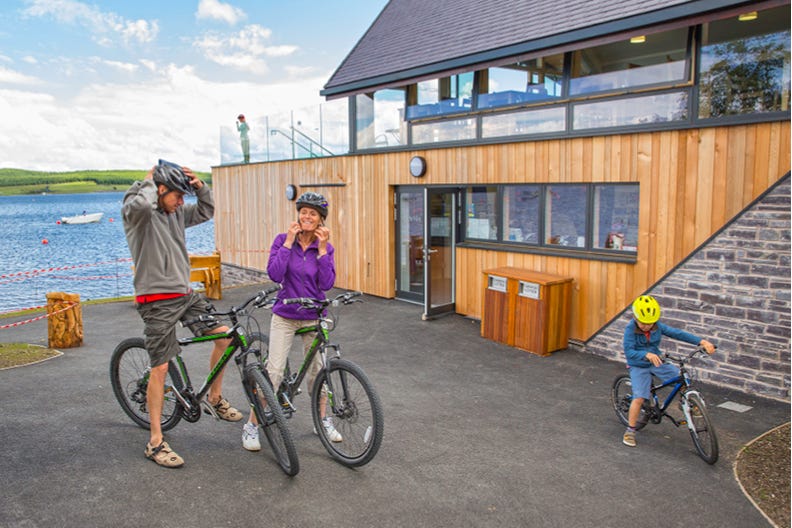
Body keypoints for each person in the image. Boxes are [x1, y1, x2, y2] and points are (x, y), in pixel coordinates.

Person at [122, 160, 242, 468]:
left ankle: (214, 399)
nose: (181, 202)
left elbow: (206, 210)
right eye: (177, 195)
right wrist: (149, 178)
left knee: (226, 338)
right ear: (160, 190)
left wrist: (200, 186)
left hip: (184, 296)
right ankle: (155, 442)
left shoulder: (175, 213)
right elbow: (141, 205)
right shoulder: (138, 213)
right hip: (156, 301)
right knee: (160, 369)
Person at [241, 191, 340, 451]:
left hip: (313, 315)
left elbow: (327, 284)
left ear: (321, 220)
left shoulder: (325, 247)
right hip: (285, 315)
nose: (307, 216)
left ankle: (323, 421)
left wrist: (321, 251)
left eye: (313, 214)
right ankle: (252, 425)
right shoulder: (283, 241)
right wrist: (287, 243)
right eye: (304, 212)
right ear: (298, 215)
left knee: (317, 373)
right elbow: (275, 274)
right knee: (273, 373)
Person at [621, 295, 716, 447]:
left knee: (681, 379)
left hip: (656, 361)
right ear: (635, 317)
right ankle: (630, 431)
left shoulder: (657, 326)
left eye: (650, 323)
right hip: (638, 364)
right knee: (639, 397)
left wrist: (701, 341)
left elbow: (677, 333)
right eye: (643, 323)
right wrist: (646, 354)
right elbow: (629, 351)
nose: (647, 326)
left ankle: (686, 401)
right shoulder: (630, 329)